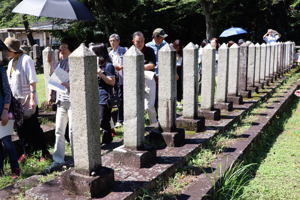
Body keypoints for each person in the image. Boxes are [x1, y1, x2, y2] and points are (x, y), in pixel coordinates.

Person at [4, 37, 50, 163]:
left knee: (33, 127)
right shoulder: (11, 62)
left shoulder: (26, 60)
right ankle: (27, 152)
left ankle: (44, 151)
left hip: (27, 99)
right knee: (20, 129)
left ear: (12, 49)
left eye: (6, 49)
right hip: (16, 102)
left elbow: (32, 80)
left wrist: (33, 98)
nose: (5, 52)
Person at [45, 37, 77, 172]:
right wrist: (50, 62)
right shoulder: (62, 62)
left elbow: (79, 84)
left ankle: (78, 158)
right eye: (60, 47)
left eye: (63, 47)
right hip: (61, 101)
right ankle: (58, 160)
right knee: (58, 130)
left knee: (72, 132)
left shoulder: (76, 63)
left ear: (70, 48)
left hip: (73, 101)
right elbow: (54, 78)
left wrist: (68, 84)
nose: (60, 49)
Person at [0, 40, 20, 178]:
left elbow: (7, 92)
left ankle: (15, 169)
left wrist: (6, 111)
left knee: (7, 142)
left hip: (1, 110)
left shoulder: (0, 69)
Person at [91, 44, 116, 144]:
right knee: (102, 119)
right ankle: (107, 138)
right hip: (95, 95)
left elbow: (112, 82)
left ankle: (107, 139)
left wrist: (100, 73)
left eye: (94, 53)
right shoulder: (96, 65)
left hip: (104, 95)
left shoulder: (108, 66)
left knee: (102, 120)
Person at [132, 31, 158, 125]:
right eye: (138, 41)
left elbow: (152, 65)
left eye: (142, 41)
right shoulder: (130, 52)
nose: (140, 43)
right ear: (133, 41)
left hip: (148, 79)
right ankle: (138, 124)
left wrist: (138, 66)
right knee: (135, 104)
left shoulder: (149, 50)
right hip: (134, 79)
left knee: (149, 105)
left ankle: (154, 123)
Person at [108, 34, 127, 127]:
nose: (112, 43)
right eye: (110, 41)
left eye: (114, 41)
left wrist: (121, 67)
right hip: (114, 78)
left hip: (124, 77)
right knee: (117, 98)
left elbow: (129, 62)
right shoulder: (110, 53)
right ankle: (119, 119)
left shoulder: (124, 50)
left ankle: (120, 119)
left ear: (118, 41)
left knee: (121, 98)